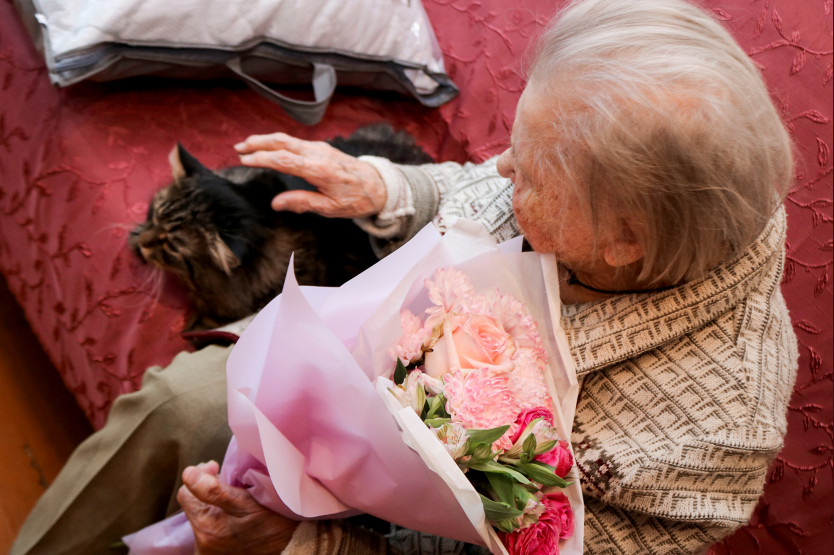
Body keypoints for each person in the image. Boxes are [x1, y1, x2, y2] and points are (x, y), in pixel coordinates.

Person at [11, 0, 798, 553]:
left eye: (530, 173)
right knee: (180, 402)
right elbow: (481, 188)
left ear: (625, 241)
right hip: (374, 326)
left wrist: (298, 546)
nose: (499, 166)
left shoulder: (705, 441)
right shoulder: (629, 194)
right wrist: (385, 187)